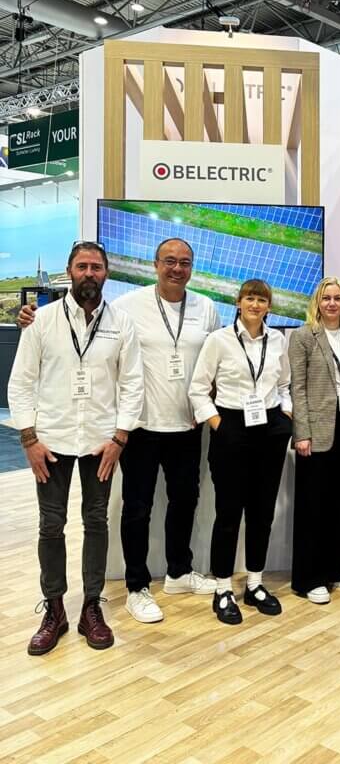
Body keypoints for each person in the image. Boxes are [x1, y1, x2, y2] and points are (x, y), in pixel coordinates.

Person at [21, 237, 221, 623]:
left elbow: (214, 358)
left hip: (187, 424)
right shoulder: (127, 309)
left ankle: (179, 572)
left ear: (192, 267)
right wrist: (28, 317)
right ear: (155, 265)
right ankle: (136, 586)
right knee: (136, 509)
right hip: (140, 427)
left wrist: (207, 400)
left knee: (185, 502)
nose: (177, 268)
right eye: (169, 261)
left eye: (184, 262)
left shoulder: (207, 308)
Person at [8, 242, 144, 654]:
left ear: (106, 273)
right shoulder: (42, 321)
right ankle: (54, 610)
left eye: (97, 267)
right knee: (50, 526)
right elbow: (21, 383)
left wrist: (120, 438)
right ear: (69, 271)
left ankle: (90, 607)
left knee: (96, 522)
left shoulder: (122, 323)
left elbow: (132, 383)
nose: (90, 273)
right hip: (52, 442)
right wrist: (29, 439)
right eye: (82, 266)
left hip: (100, 443)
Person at [189, 279, 292, 625]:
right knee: (229, 513)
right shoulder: (218, 340)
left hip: (270, 430)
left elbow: (284, 385)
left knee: (262, 512)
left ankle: (255, 583)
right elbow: (198, 391)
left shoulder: (277, 339)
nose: (255, 304)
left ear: (269, 306)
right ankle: (222, 588)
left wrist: (286, 415)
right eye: (250, 298)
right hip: (231, 428)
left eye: (262, 299)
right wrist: (219, 425)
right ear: (238, 302)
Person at [289, 276, 340, 604]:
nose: (332, 304)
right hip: (316, 431)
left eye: (338, 298)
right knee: (313, 505)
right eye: (326, 299)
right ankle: (309, 578)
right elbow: (298, 387)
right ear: (317, 304)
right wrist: (302, 433)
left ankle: (335, 567)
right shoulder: (303, 336)